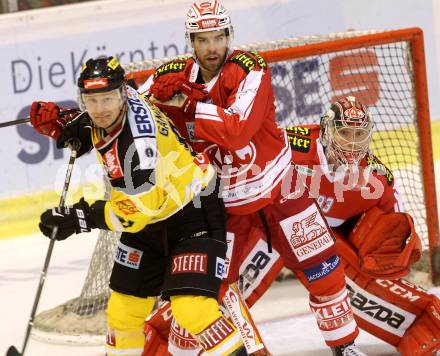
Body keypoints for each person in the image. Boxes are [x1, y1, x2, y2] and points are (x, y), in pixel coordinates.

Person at [137, 1, 365, 355]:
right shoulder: (172, 75)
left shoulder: (251, 68)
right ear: (190, 41)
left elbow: (238, 130)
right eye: (202, 39)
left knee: (324, 268)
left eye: (218, 37)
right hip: (224, 206)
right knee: (212, 290)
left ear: (230, 36)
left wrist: (187, 105)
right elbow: (129, 112)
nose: (212, 47)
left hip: (280, 191)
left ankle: (345, 347)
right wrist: (82, 115)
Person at [29, 56, 252, 356]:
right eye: (91, 101)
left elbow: (133, 216)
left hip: (193, 213)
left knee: (192, 310)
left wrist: (79, 217)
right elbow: (108, 112)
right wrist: (72, 124)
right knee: (122, 314)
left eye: (106, 99)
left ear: (120, 95)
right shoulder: (125, 97)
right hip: (154, 218)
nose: (100, 109)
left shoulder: (136, 153)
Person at [283, 96, 440, 356]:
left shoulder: (378, 179)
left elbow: (393, 231)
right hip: (271, 228)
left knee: (337, 277)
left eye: (359, 133)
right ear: (326, 130)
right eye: (345, 132)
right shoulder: (290, 144)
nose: (353, 142)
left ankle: (425, 332)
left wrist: (390, 256)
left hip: (326, 245)